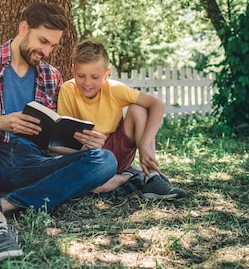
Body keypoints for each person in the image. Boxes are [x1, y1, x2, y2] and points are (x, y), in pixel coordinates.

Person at [0, 3, 117, 262]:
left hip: (31, 163)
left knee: (105, 160)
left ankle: (0, 203)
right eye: (43, 41)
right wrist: (1, 123)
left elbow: (51, 141)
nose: (46, 51)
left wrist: (82, 145)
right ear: (24, 28)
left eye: (52, 46)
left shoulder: (51, 75)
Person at [57, 39, 187, 200]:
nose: (87, 83)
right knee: (95, 187)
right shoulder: (68, 90)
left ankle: (152, 176)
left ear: (106, 74)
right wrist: (82, 148)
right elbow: (60, 144)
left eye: (95, 77)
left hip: (117, 148)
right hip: (89, 155)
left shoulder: (115, 89)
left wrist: (145, 144)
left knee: (138, 109)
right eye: (81, 76)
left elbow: (157, 105)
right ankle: (131, 178)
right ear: (73, 70)